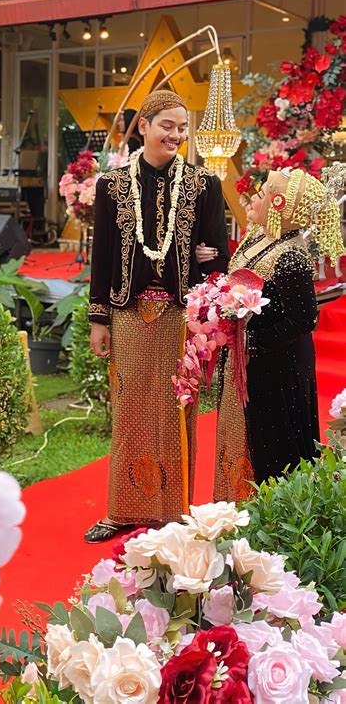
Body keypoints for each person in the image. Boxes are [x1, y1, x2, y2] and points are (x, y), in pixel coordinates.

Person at [86, 89, 229, 543]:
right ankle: (122, 510)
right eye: (167, 125)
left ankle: (174, 511)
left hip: (181, 316)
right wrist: (98, 319)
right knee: (128, 410)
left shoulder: (203, 184)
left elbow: (218, 255)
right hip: (128, 314)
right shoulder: (111, 186)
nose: (176, 135)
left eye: (183, 128)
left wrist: (208, 264)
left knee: (176, 410)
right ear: (144, 125)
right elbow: (102, 256)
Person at [214, 167, 344, 502]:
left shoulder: (290, 257)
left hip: (276, 369)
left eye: (261, 193)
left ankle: (269, 517)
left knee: (273, 450)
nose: (253, 197)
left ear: (278, 205)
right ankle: (235, 508)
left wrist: (253, 342)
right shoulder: (259, 237)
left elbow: (303, 319)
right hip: (247, 361)